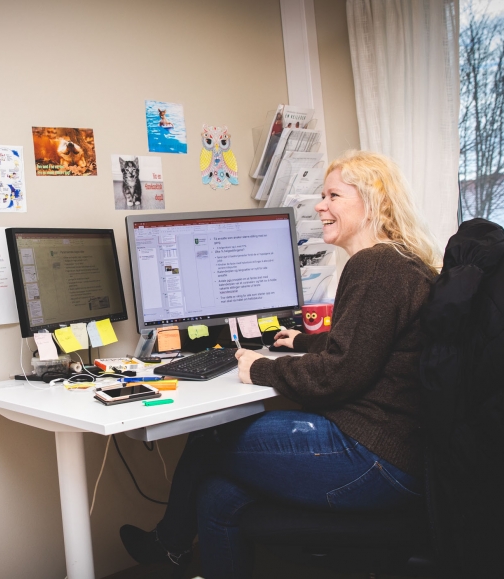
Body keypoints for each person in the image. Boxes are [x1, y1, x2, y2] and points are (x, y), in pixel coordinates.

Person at [120, 150, 439, 578]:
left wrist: (260, 367)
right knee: (217, 495)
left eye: (332, 195)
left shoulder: (375, 265)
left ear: (372, 203)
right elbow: (369, 339)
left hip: (373, 459)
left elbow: (339, 376)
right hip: (400, 456)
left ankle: (167, 543)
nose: (320, 206)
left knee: (209, 436)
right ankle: (176, 547)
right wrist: (306, 341)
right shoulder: (401, 264)